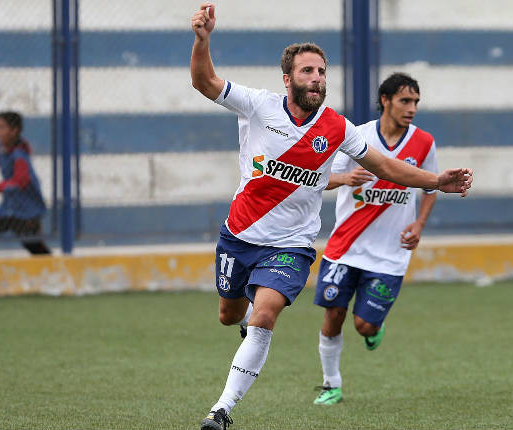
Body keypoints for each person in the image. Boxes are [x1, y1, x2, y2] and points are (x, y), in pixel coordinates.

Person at [190, 4, 472, 429]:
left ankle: (222, 409)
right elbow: (204, 81)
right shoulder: (257, 105)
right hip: (241, 234)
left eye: (321, 71)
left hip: (292, 245)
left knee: (265, 314)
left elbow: (387, 167)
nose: (316, 79)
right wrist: (202, 40)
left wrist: (433, 181)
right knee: (230, 315)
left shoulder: (338, 129)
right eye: (307, 72)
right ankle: (242, 321)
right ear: (288, 79)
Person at [312, 73, 437, 405]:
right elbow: (321, 179)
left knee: (364, 326)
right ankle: (331, 384)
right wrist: (345, 177)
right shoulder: (358, 136)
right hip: (345, 246)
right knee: (333, 313)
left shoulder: (424, 142)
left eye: (415, 102)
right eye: (404, 101)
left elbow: (430, 187)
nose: (411, 108)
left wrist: (419, 225)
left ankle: (373, 328)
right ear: (385, 100)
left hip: (389, 252)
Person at [0, 111, 50, 256]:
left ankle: (53, 270)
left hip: (26, 212)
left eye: (2, 127)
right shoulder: (6, 151)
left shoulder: (19, 156)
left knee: (35, 246)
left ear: (14, 130)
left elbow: (18, 183)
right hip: (10, 209)